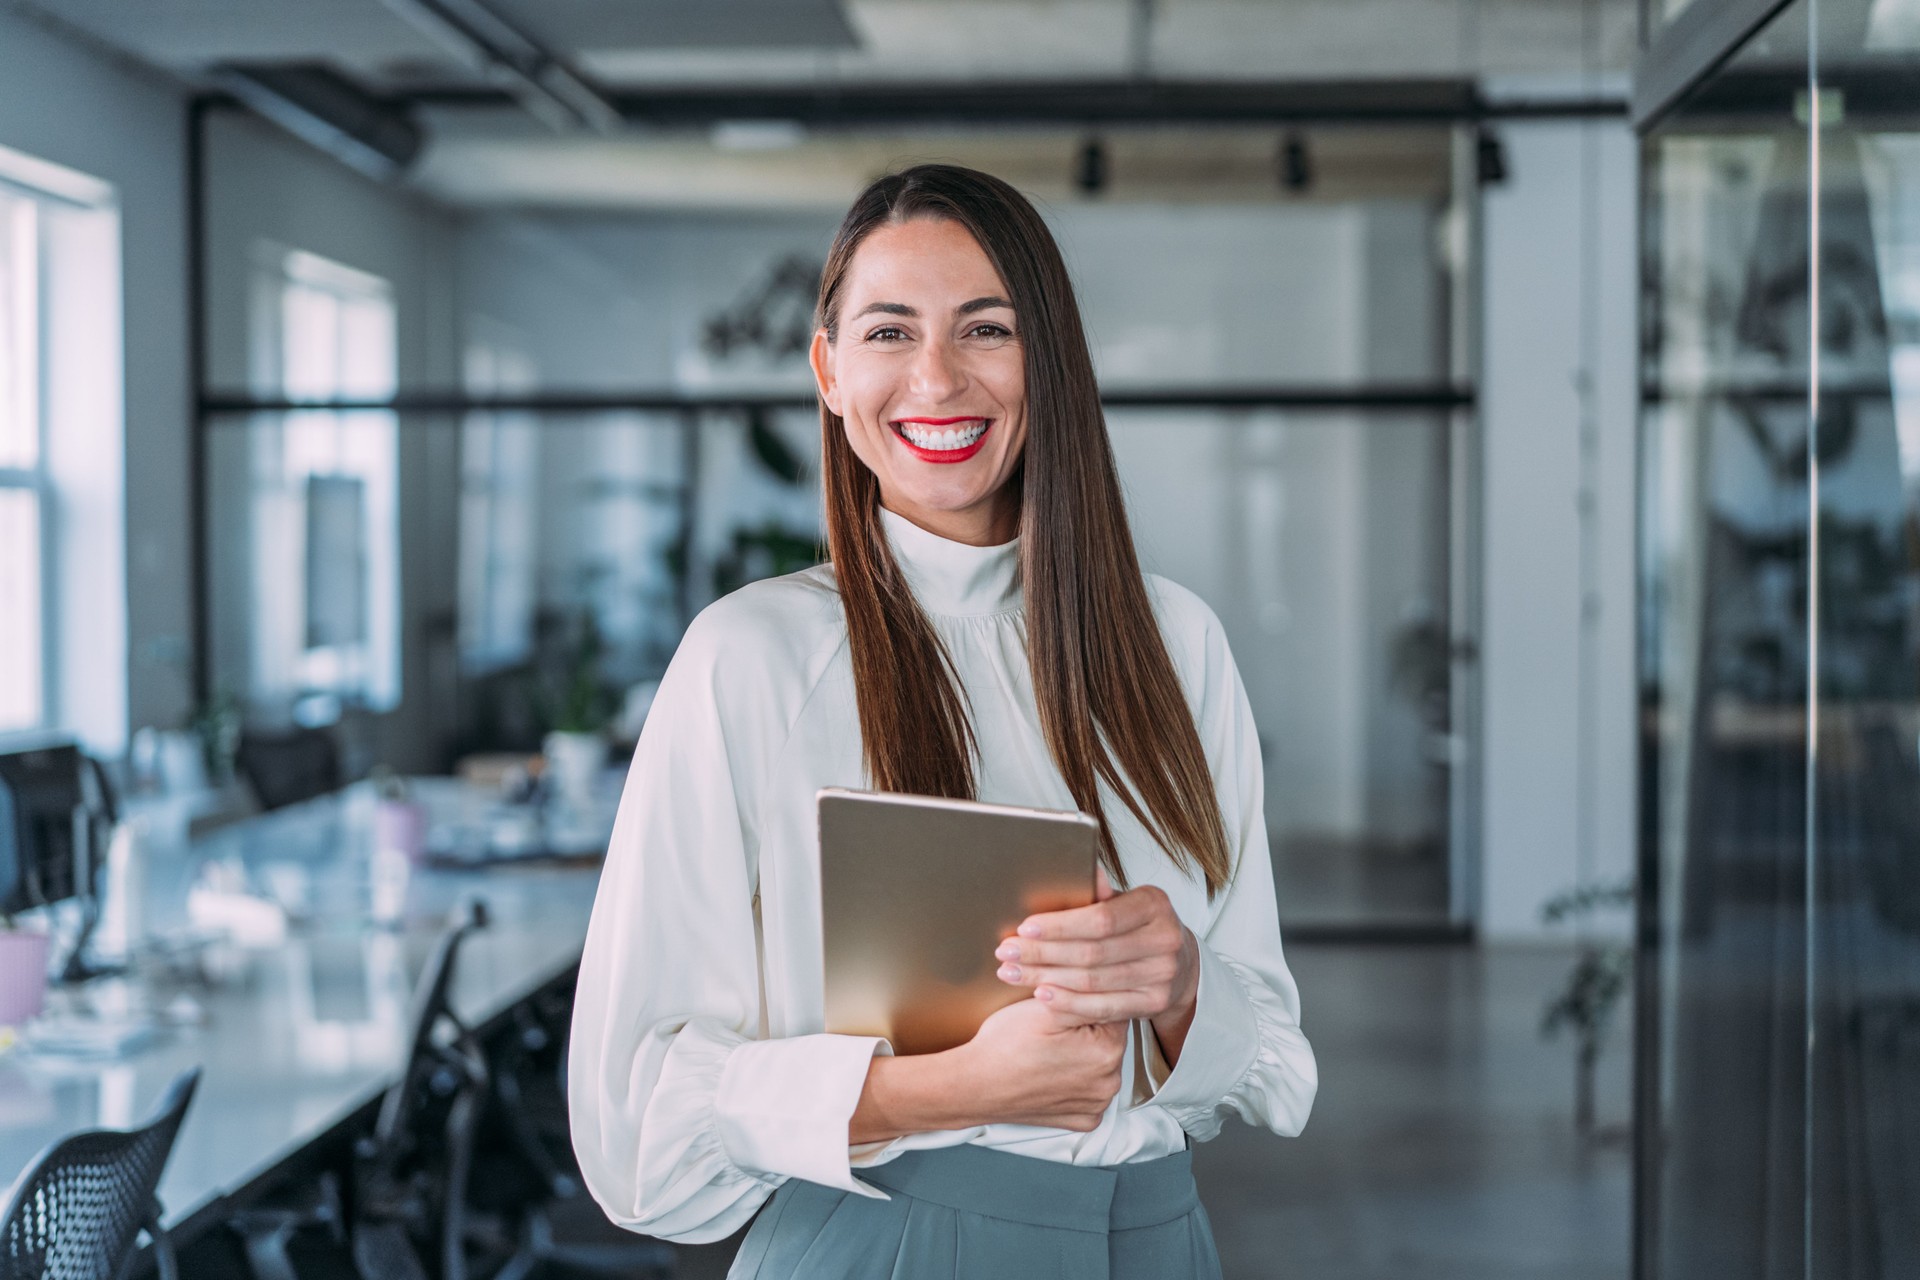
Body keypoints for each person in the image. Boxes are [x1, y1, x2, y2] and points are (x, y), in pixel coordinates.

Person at [569, 163, 1317, 1280]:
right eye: (887, 332)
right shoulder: (749, 657)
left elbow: (1277, 1060)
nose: (936, 377)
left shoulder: (1176, 641)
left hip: (1162, 1238)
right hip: (890, 1239)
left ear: (1048, 361)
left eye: (985, 328)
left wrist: (1182, 984)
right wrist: (952, 1087)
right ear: (828, 370)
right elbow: (641, 1126)